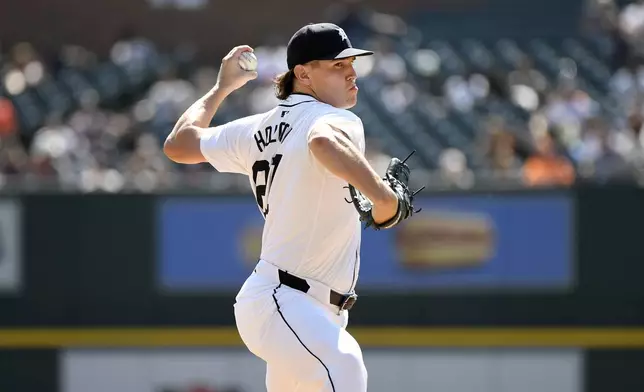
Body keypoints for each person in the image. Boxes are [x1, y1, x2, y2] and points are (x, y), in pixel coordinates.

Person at [163, 23, 416, 391]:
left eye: (351, 64)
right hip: (288, 301)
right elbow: (323, 141)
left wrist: (222, 89)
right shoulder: (336, 118)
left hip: (292, 309)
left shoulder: (256, 128)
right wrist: (383, 197)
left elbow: (179, 144)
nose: (351, 72)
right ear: (303, 73)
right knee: (346, 367)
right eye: (336, 65)